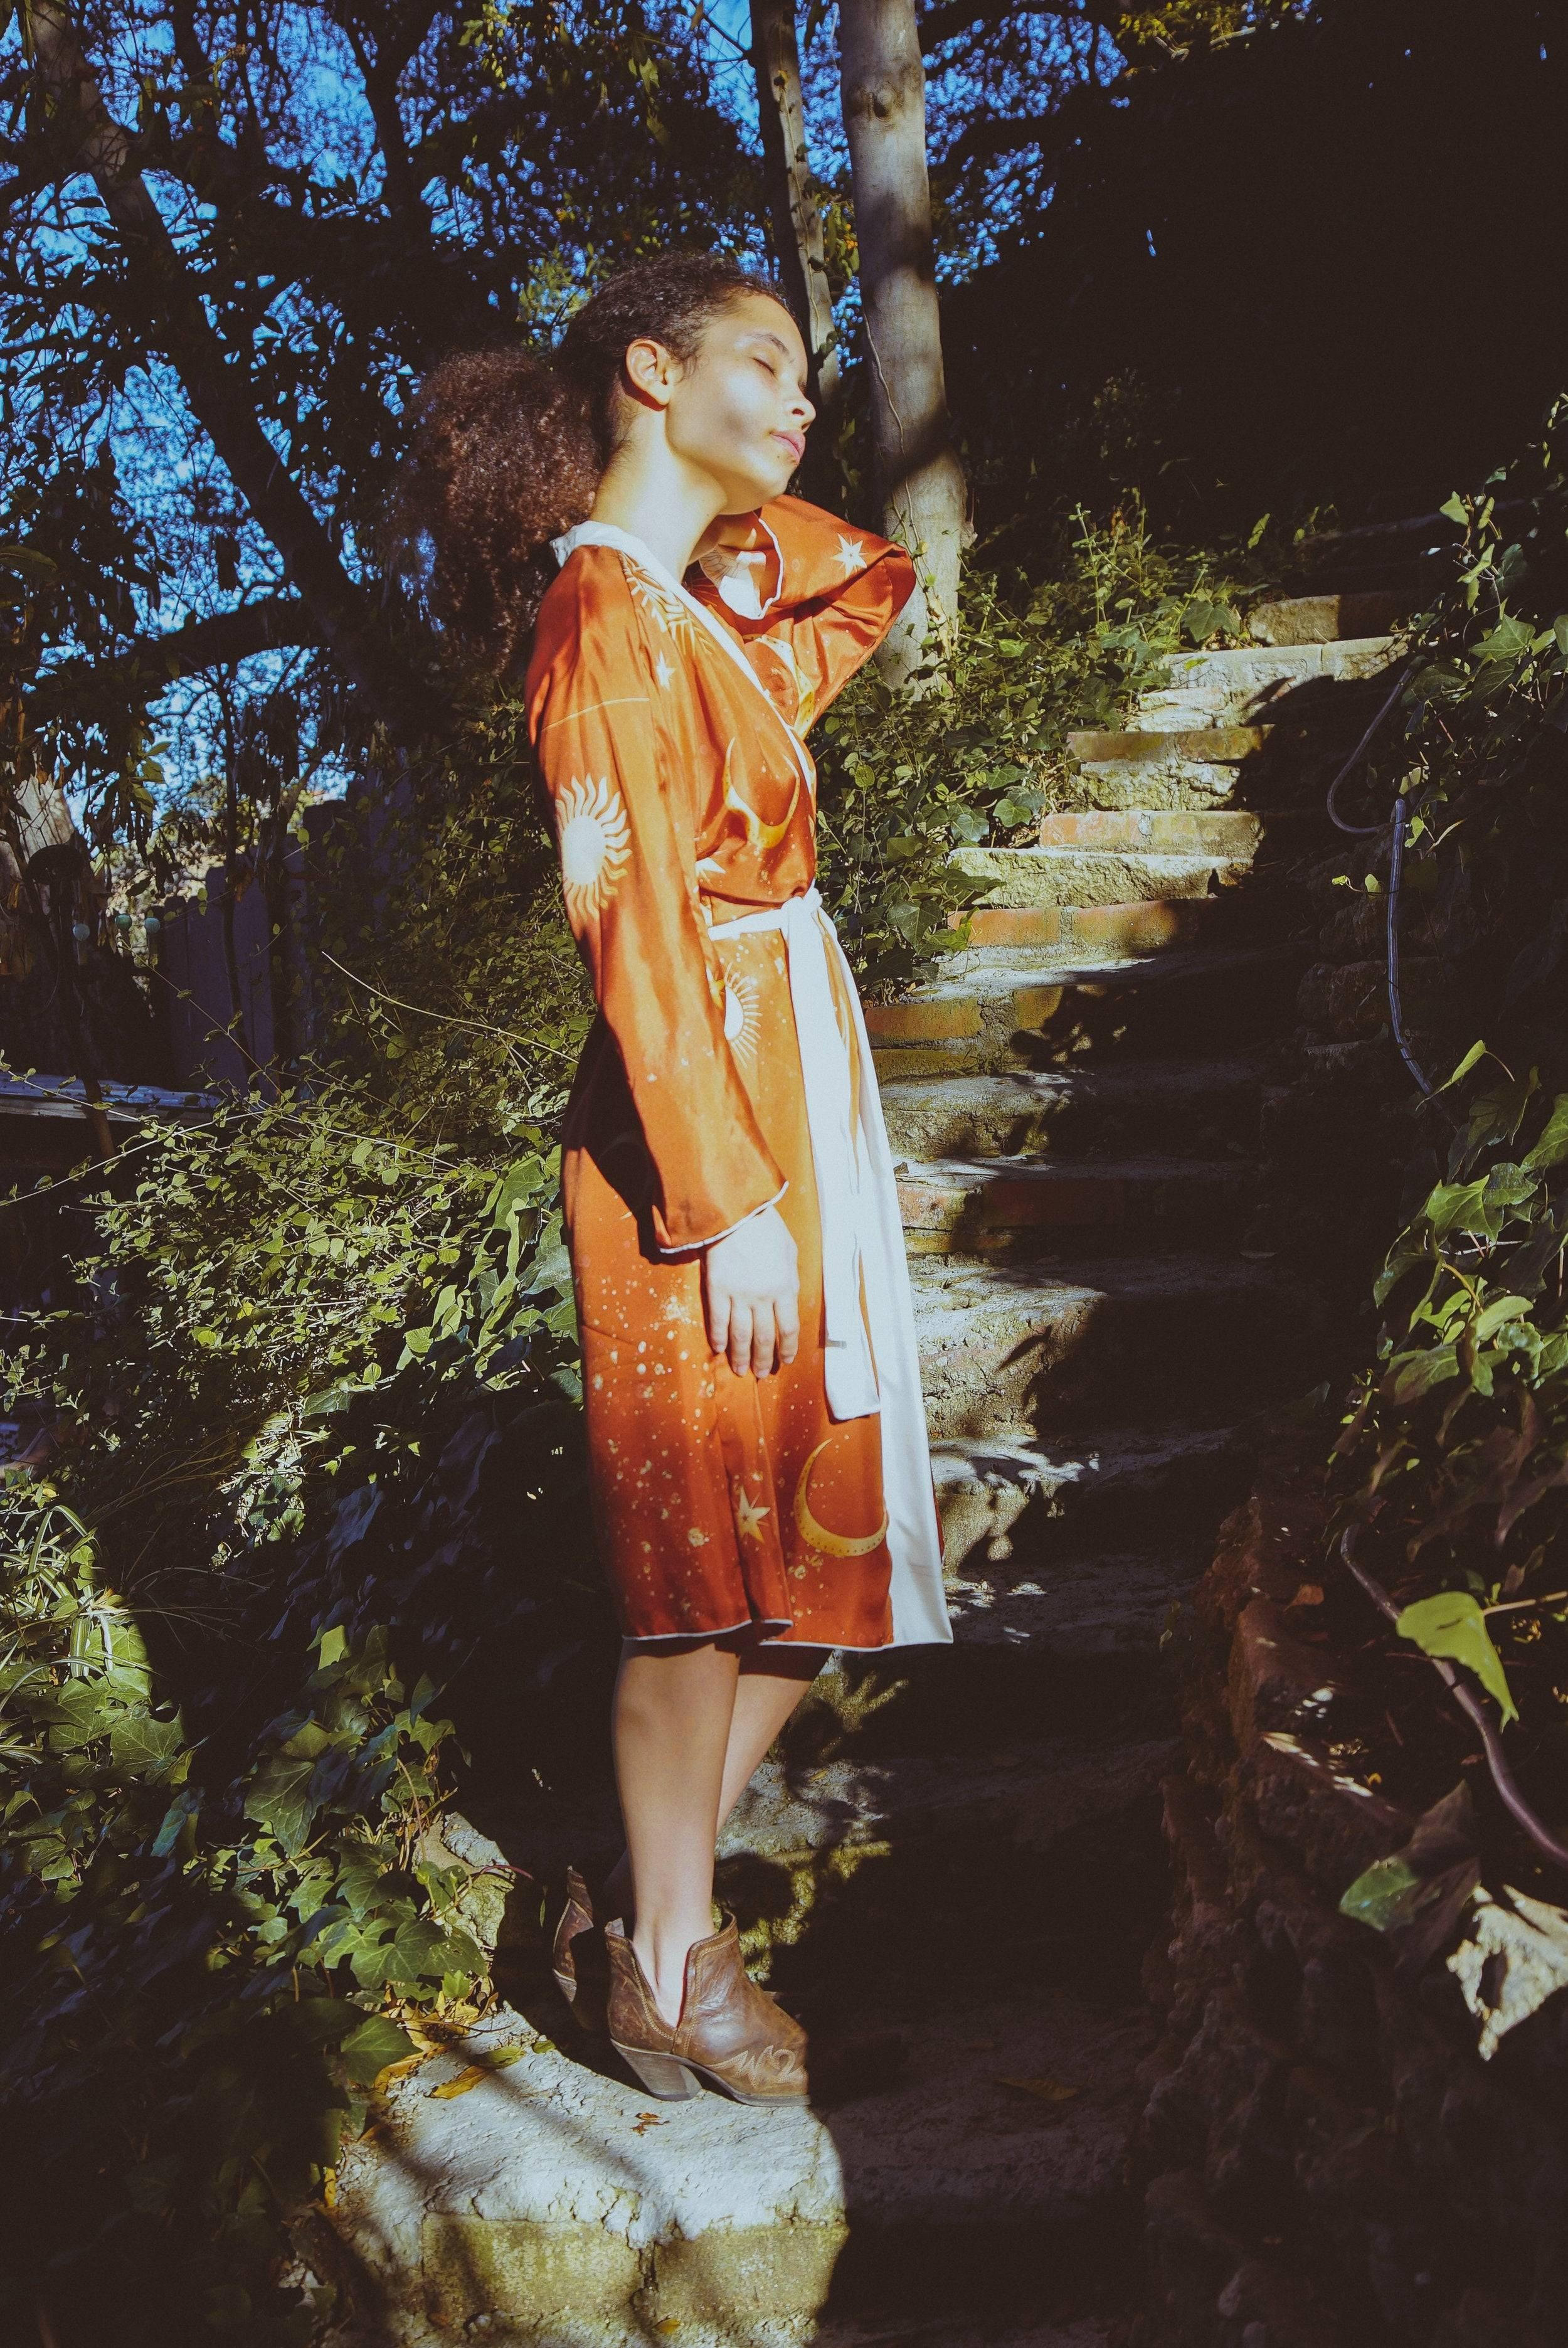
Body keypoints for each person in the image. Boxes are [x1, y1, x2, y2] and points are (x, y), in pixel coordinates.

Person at [398, 252, 950, 2108]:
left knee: (819, 1550)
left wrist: (703, 494)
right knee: (701, 1579)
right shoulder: (597, 621)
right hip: (686, 1124)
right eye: (763, 367)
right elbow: (625, 916)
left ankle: (635, 1904)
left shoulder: (687, 605)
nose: (805, 406)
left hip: (790, 1080)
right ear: (652, 365)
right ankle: (670, 1961)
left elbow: (862, 578)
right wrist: (722, 1197)